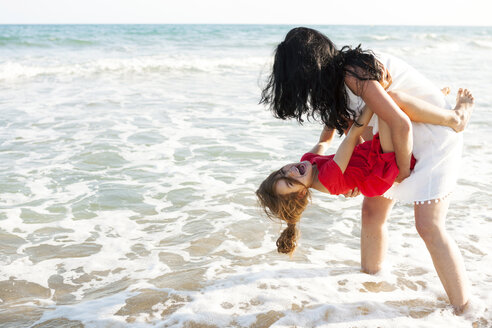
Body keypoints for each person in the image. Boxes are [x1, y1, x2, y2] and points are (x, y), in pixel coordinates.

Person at [259, 27, 474, 313]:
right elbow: (351, 132)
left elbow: (400, 124)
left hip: (430, 134)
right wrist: (354, 174)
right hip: (389, 142)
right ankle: (370, 283)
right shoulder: (332, 86)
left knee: (428, 226)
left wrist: (400, 169)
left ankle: (466, 310)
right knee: (371, 211)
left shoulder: (353, 72)